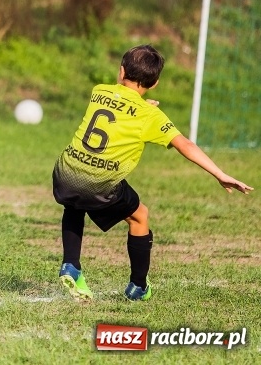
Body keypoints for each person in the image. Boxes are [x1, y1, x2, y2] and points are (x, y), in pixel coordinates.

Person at [52, 44, 253, 301]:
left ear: (121, 71)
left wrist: (144, 107)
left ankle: (71, 264)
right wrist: (220, 173)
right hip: (100, 183)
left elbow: (122, 108)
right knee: (139, 217)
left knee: (75, 204)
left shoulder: (98, 91)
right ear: (155, 82)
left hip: (66, 171)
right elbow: (185, 145)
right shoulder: (151, 116)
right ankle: (138, 286)